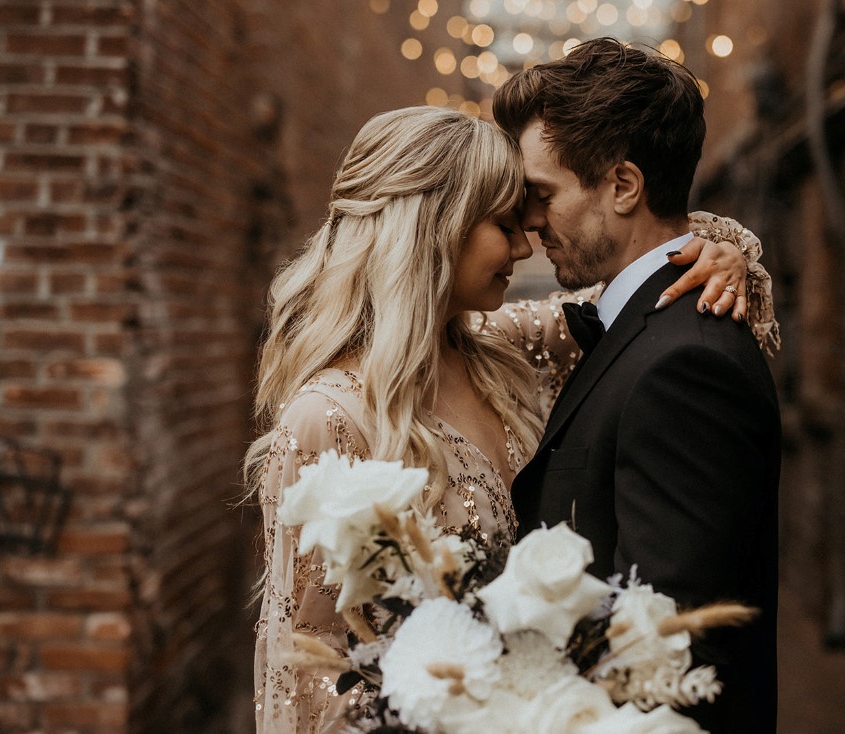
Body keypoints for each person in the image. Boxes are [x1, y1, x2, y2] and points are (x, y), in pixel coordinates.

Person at [246, 105, 761, 733]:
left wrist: (721, 254)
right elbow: (303, 669)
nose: (525, 244)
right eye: (504, 223)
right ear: (431, 226)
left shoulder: (503, 347)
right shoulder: (327, 417)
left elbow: (644, 282)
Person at [495, 39, 782, 734]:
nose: (530, 227)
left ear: (623, 186)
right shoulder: (644, 329)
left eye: (543, 195)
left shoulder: (686, 366)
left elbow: (663, 656)